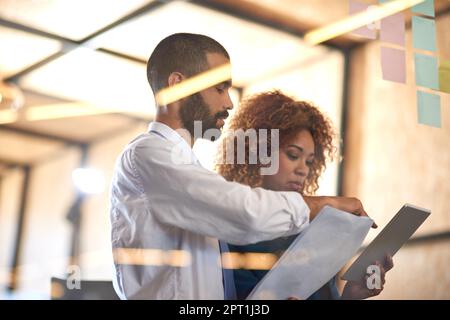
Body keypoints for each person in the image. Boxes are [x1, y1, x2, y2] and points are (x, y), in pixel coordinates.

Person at [109, 33, 374, 300]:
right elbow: (245, 212)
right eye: (219, 88)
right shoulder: (147, 154)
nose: (228, 102)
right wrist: (323, 206)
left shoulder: (185, 167)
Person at [216, 90, 393, 300]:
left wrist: (351, 295)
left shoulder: (309, 231)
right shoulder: (231, 229)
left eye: (309, 161)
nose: (303, 170)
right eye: (293, 155)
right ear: (258, 152)